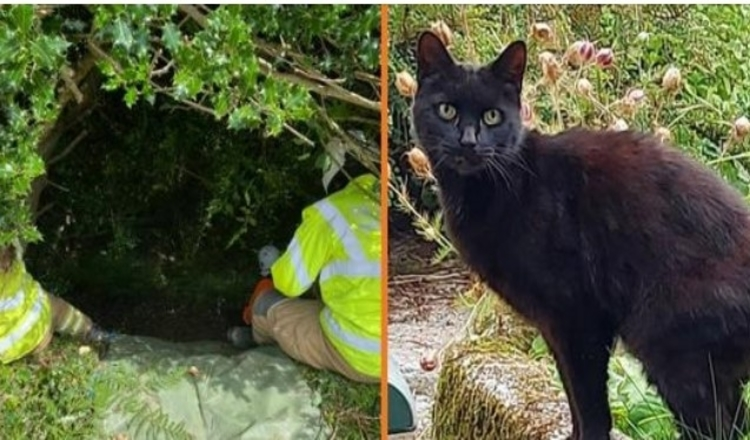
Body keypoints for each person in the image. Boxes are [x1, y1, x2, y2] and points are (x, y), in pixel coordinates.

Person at [228, 173, 381, 384]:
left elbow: (288, 284)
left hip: (361, 356)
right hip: (387, 351)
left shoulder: (333, 212)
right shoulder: (394, 208)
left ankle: (257, 339)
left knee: (265, 302)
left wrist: (281, 267)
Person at [0, 240, 110, 365]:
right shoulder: (14, 268)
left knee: (47, 304)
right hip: (33, 328)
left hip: (13, 343)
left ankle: (38, 357)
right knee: (55, 306)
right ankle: (92, 333)